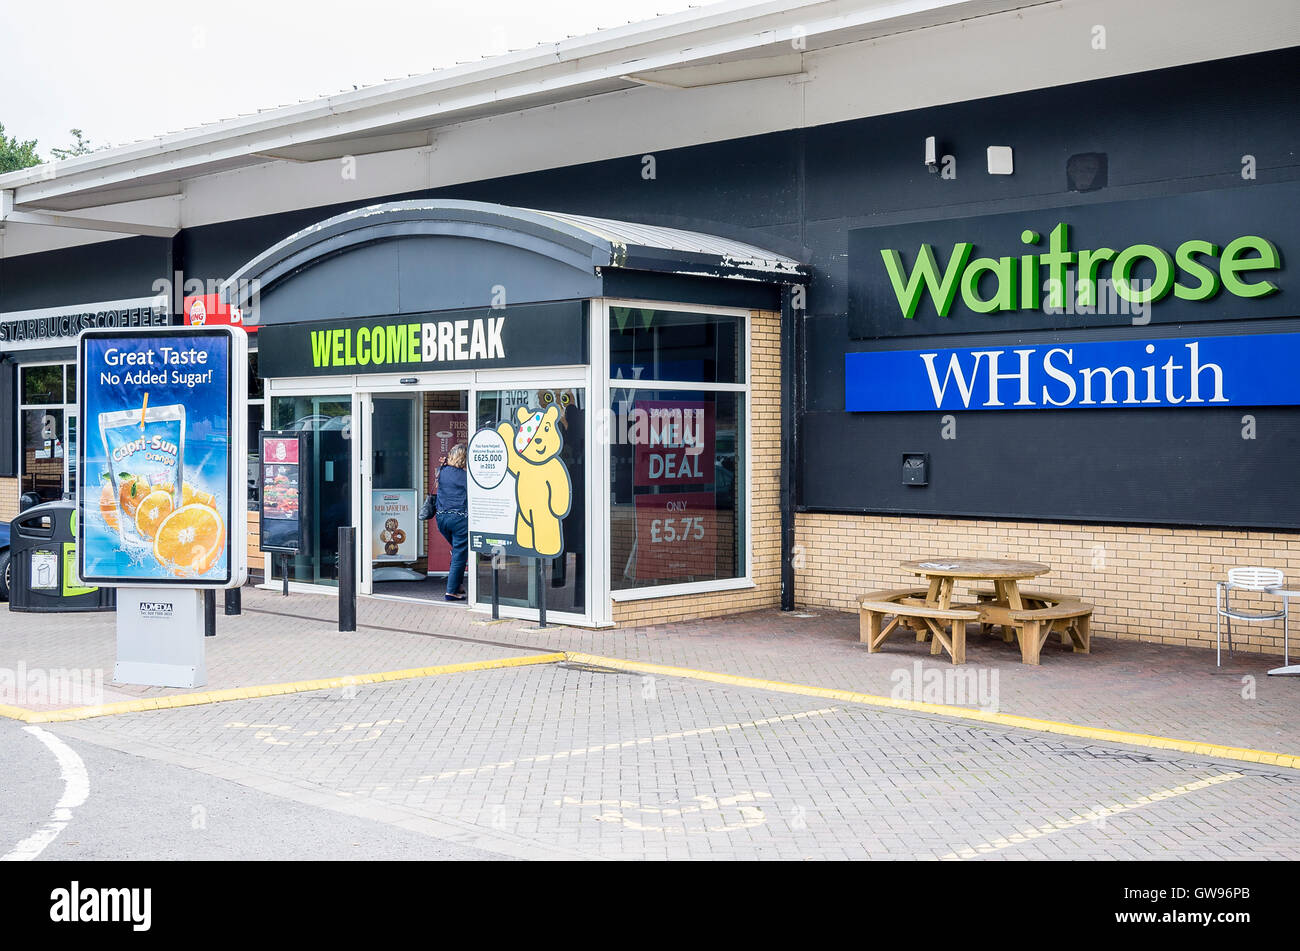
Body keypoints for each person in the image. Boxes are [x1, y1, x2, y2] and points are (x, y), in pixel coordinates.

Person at [432, 444, 469, 601]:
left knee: (457, 551)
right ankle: (451, 591)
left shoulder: (442, 472)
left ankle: (458, 585)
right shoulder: (465, 476)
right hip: (459, 519)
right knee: (459, 554)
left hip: (441, 519)